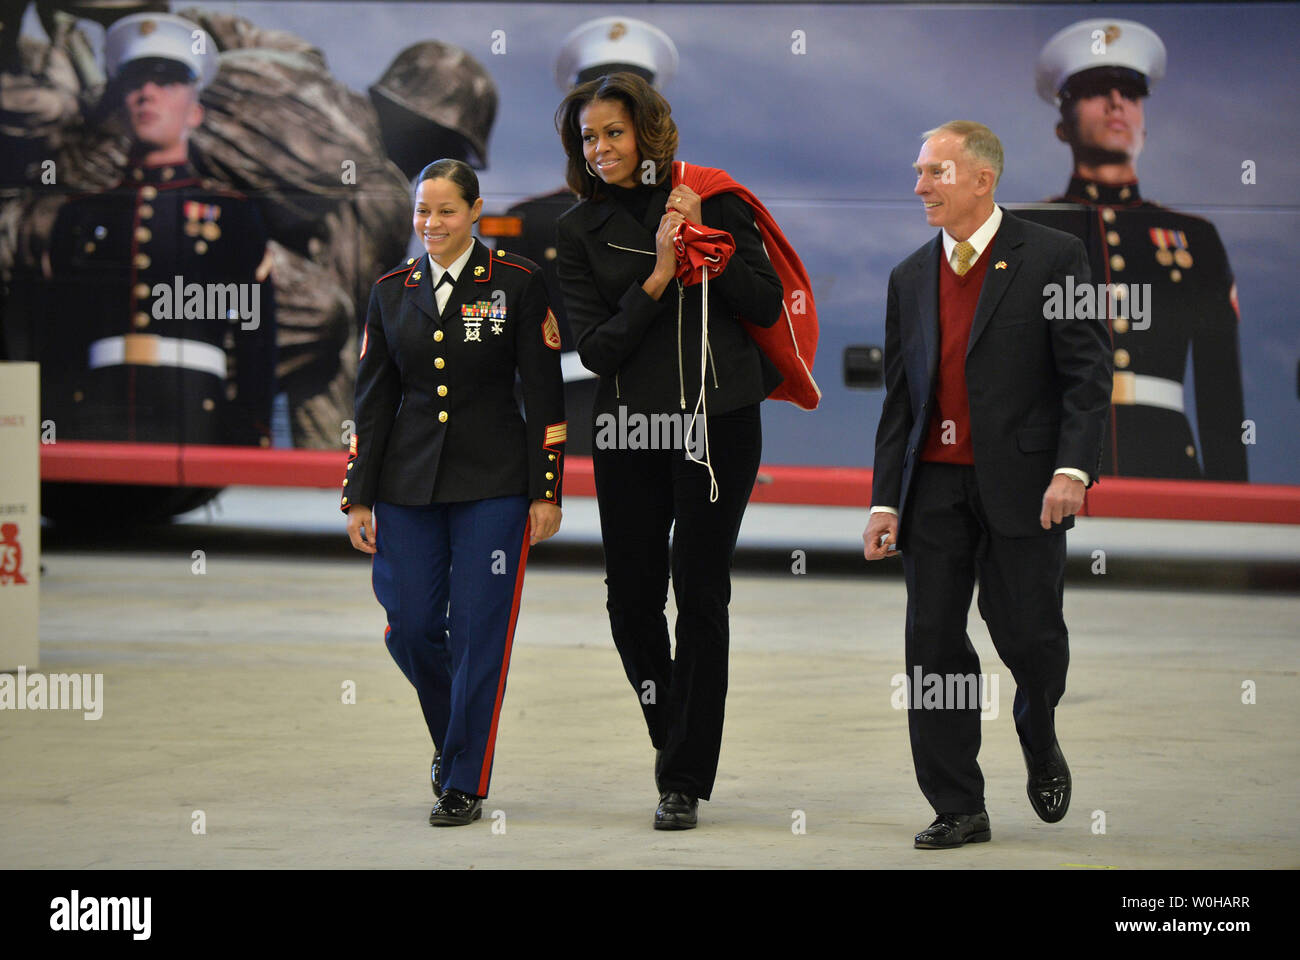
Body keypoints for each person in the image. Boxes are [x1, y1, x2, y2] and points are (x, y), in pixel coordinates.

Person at [862, 121, 1111, 849]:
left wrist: (1073, 469)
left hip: (1027, 484)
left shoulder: (1057, 258)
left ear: (982, 179)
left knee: (1030, 637)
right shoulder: (909, 276)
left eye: (935, 171)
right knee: (932, 642)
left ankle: (1039, 723)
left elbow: (1087, 374)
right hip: (932, 489)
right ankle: (958, 803)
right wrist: (884, 499)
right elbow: (900, 403)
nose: (919, 187)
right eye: (918, 171)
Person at [554, 72, 784, 830]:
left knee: (701, 591)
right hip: (629, 429)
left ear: (646, 133)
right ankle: (674, 737)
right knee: (630, 603)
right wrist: (657, 273)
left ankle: (682, 778)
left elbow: (764, 301)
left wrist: (706, 247)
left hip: (719, 422)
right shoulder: (577, 231)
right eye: (589, 137)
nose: (601, 148)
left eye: (613, 132)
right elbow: (596, 351)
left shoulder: (710, 199)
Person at [342, 158, 565, 827]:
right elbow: (372, 404)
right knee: (410, 628)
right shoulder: (389, 291)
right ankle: (455, 738)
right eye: (421, 212)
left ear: (473, 211)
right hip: (406, 485)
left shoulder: (518, 284)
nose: (430, 224)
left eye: (444, 211)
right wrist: (357, 495)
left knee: (478, 635)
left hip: (494, 487)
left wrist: (545, 489)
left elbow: (545, 395)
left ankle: (463, 777)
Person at [1018, 18, 1247, 481]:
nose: (1117, 102)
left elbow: (1220, 394)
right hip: (1047, 472)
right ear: (1063, 124)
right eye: (1095, 89)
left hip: (1166, 469)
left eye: (1130, 93)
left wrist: (1231, 519)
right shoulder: (1023, 230)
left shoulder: (1196, 238)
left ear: (1144, 122)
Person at [35, 11, 276, 447]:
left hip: (197, 417)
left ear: (195, 111)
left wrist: (250, 431)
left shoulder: (233, 214)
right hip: (94, 419)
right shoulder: (81, 216)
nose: (147, 94)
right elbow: (57, 342)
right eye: (135, 83)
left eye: (165, 82)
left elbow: (254, 338)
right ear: (121, 103)